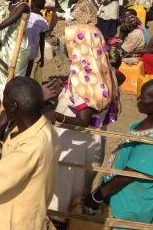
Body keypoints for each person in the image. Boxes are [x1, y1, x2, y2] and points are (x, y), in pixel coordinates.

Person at [47, 25, 120, 218]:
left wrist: (56, 116)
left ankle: (59, 218)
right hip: (93, 141)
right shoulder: (102, 68)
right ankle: (69, 214)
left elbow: (83, 119)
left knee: (66, 183)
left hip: (77, 142)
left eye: (71, 43)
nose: (67, 47)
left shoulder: (87, 77)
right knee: (79, 184)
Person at [0, 77, 60, 230]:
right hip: (26, 218)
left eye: (4, 100)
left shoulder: (30, 149)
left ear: (13, 106)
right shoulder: (45, 130)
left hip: (12, 223)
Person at [83, 80, 153, 225]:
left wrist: (98, 196)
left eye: (145, 96)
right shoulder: (136, 126)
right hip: (119, 200)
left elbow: (128, 175)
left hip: (133, 207)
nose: (138, 98)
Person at [25, 0, 50, 77]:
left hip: (20, 48)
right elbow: (42, 41)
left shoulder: (24, 16)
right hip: (32, 52)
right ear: (43, 7)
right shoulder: (44, 22)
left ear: (31, 3)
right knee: (27, 73)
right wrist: (42, 57)